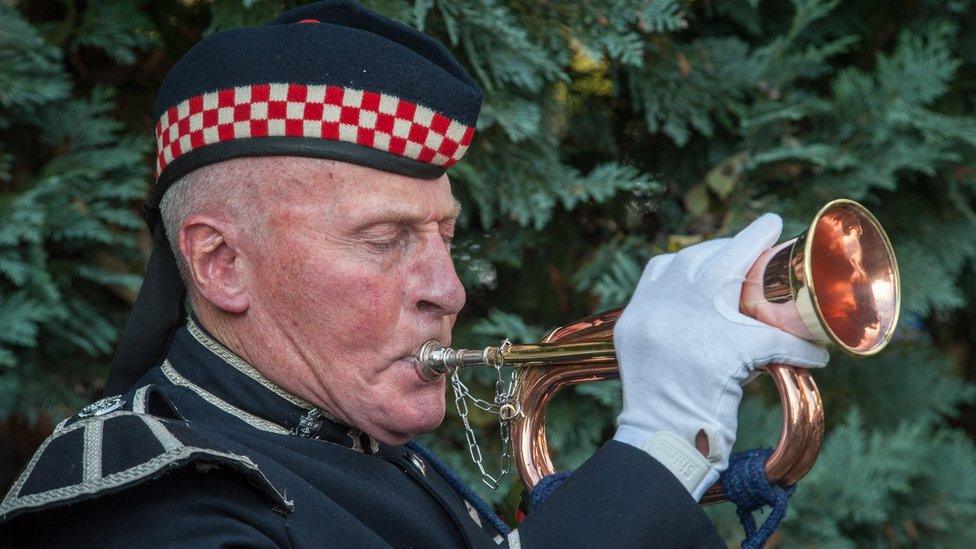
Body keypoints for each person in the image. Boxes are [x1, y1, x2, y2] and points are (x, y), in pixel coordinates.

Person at [0, 1, 829, 547]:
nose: (450, 288)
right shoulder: (143, 508)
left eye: (444, 234)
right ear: (221, 264)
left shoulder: (349, 436)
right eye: (386, 237)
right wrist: (658, 444)